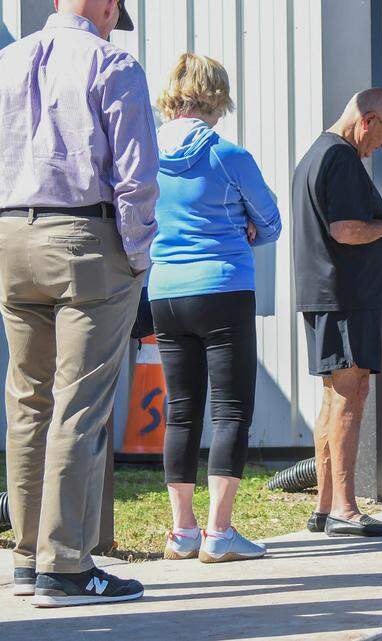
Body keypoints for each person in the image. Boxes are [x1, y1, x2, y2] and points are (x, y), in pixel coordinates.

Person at [0, 0, 153, 606]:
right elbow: (137, 176)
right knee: (79, 404)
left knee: (29, 398)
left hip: (11, 235)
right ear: (109, 6)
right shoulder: (112, 63)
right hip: (85, 238)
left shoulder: (7, 60)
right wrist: (138, 256)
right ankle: (63, 565)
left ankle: (27, 553)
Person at [150, 53, 282, 564]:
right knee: (230, 409)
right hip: (223, 286)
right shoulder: (228, 155)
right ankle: (218, 532)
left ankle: (181, 532)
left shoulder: (143, 154)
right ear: (216, 97)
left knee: (181, 411)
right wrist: (245, 229)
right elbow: (269, 223)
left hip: (164, 290)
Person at [292, 89, 382, 537]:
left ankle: (326, 506)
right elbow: (345, 230)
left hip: (329, 294)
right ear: (367, 120)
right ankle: (345, 507)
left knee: (334, 396)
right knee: (351, 393)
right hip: (346, 298)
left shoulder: (316, 154)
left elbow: (344, 230)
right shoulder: (342, 158)